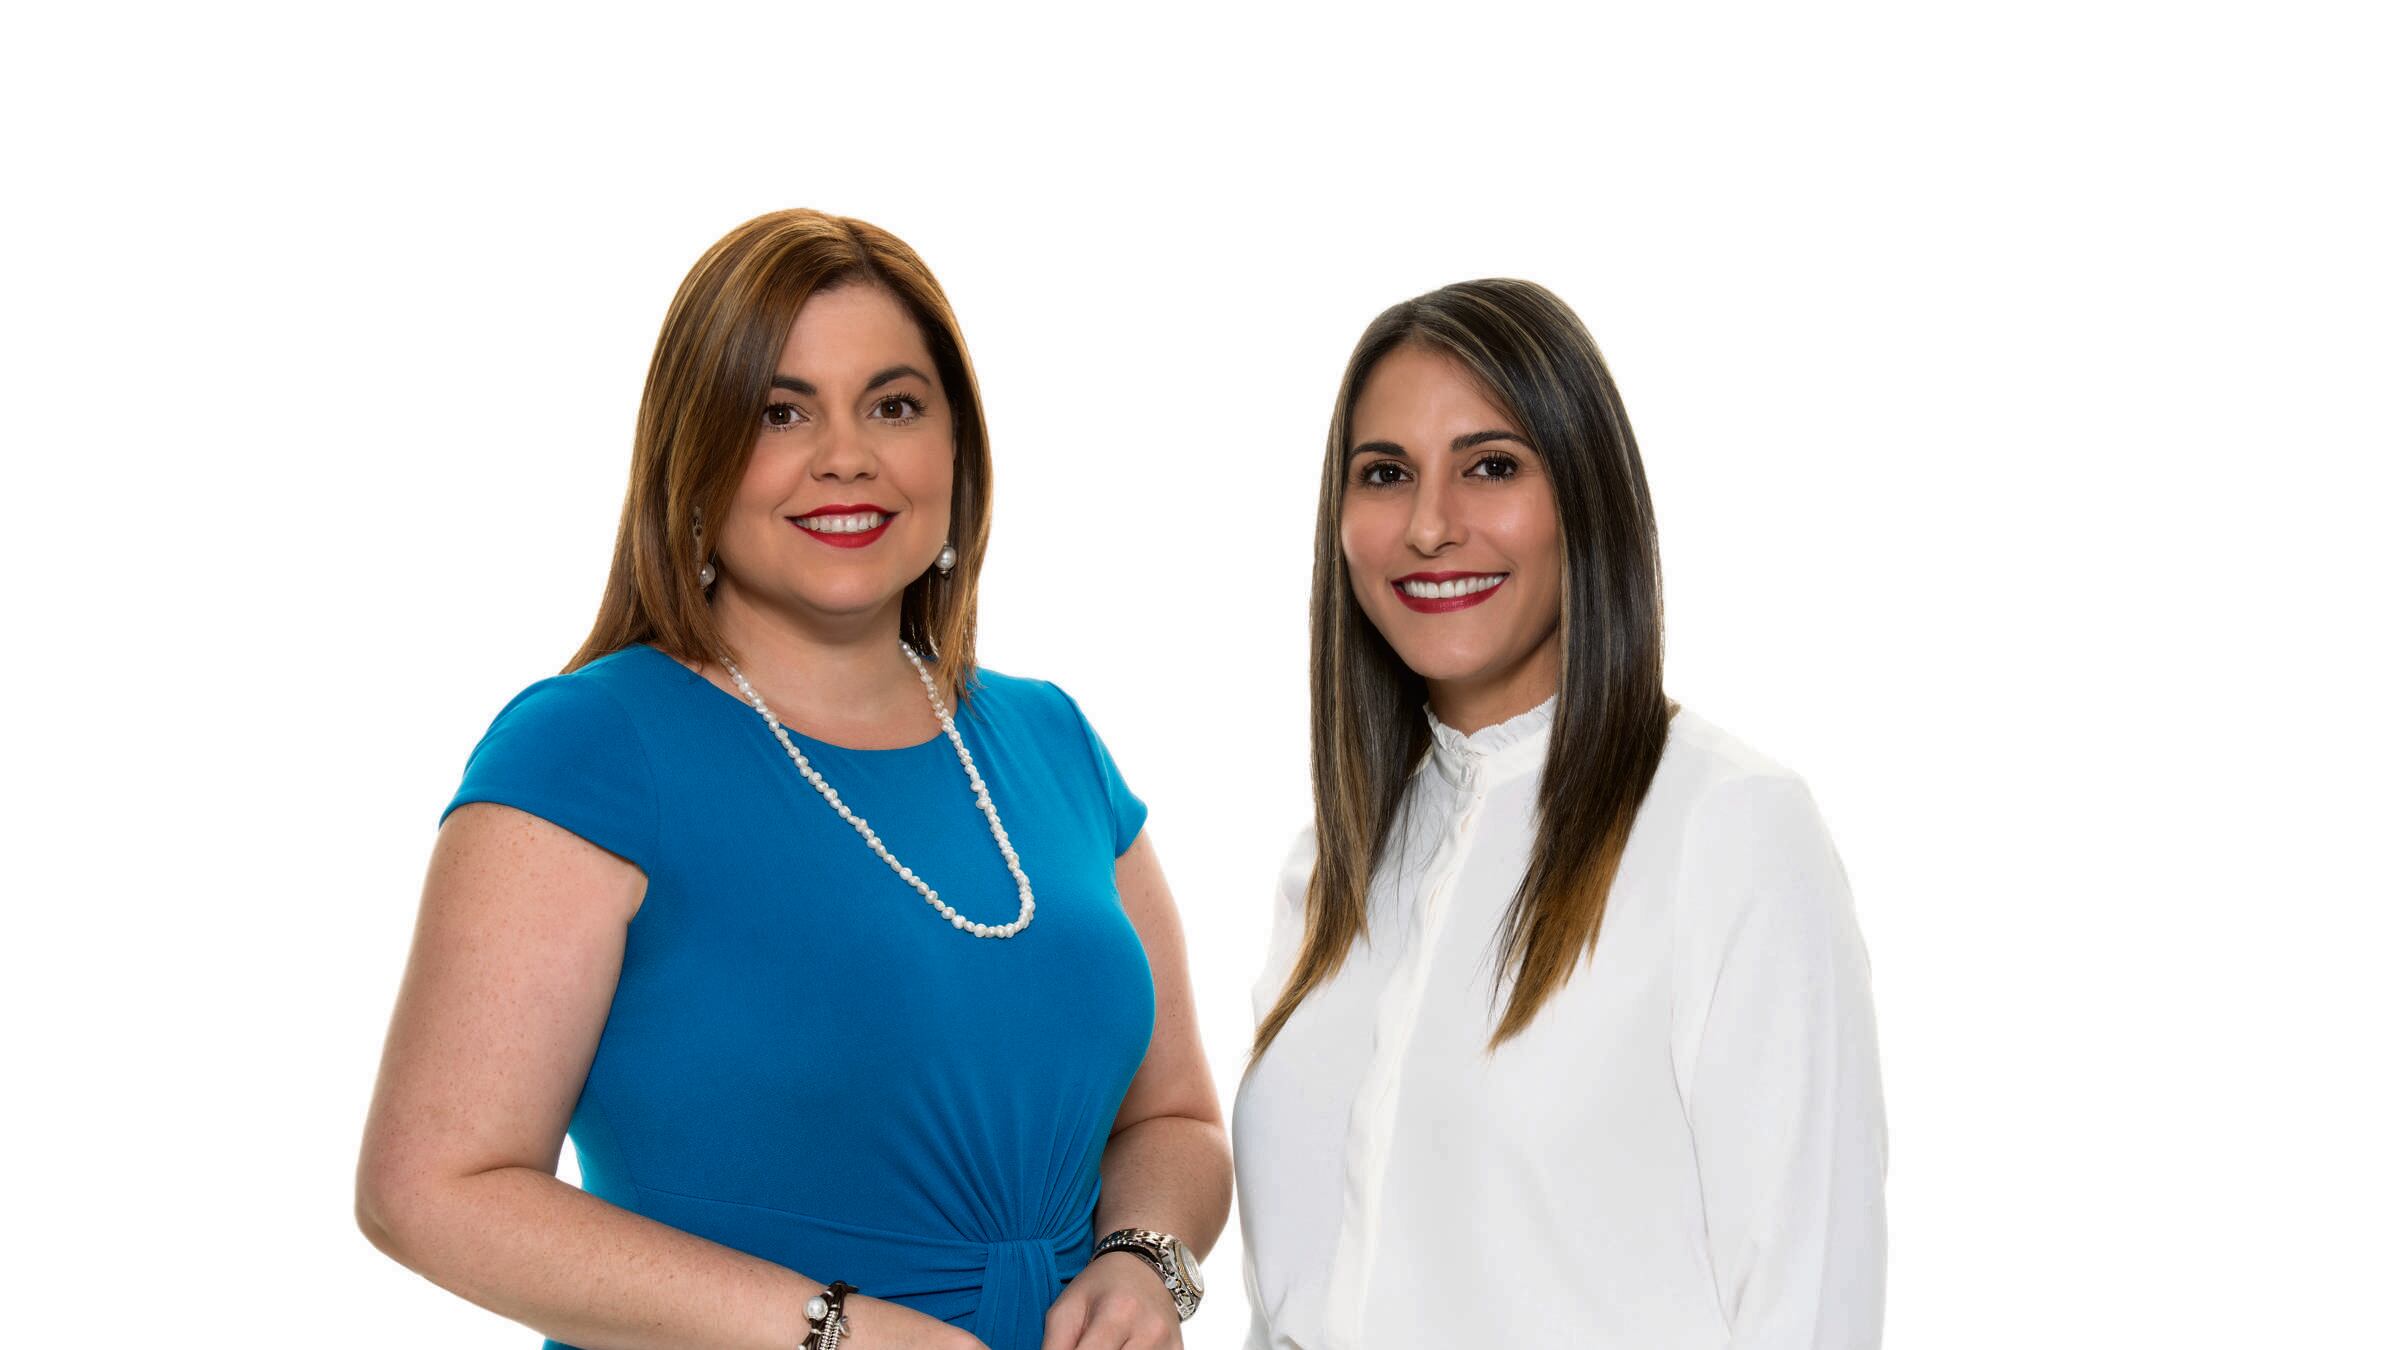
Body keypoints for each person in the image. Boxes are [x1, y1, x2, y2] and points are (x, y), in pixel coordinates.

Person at [357, 209, 1228, 1350]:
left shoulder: (1052, 739)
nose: (846, 456)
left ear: (956, 451)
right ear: (697, 456)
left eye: (894, 405)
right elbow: (430, 1187)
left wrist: (1143, 1261)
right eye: (782, 411)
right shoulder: (590, 747)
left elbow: (1175, 1118)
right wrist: (833, 1333)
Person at [1232, 279, 1887, 1348]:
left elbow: (1809, 1309)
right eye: (1385, 474)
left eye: (1491, 466)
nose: (1431, 526)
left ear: (1585, 493)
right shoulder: (1331, 865)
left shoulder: (1727, 833)